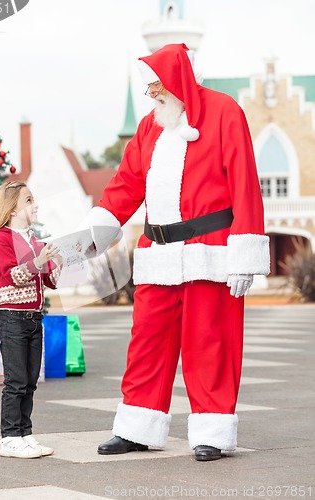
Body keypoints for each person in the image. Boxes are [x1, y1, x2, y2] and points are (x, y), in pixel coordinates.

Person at [82, 43, 270, 461]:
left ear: (177, 83)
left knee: (210, 343)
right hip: (158, 251)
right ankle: (138, 425)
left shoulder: (225, 113)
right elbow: (126, 183)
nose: (152, 97)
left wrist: (245, 250)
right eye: (149, 90)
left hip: (211, 250)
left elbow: (244, 182)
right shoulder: (151, 127)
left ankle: (213, 431)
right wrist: (96, 230)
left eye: (156, 89)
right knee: (147, 341)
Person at [0, 181, 62, 459]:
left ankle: (25, 434)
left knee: (29, 381)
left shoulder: (34, 240)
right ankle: (9, 438)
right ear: (13, 208)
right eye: (28, 201)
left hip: (33, 318)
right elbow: (13, 275)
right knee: (15, 381)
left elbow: (49, 282)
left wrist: (58, 263)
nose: (35, 205)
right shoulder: (0, 239)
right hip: (12, 318)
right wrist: (39, 261)